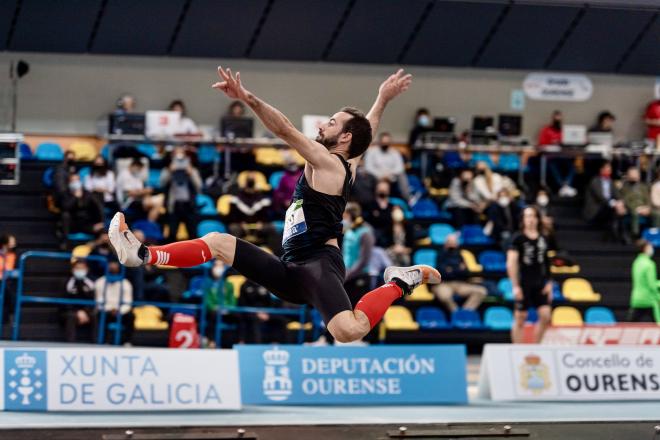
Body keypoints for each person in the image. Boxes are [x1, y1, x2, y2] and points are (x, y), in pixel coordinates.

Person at [109, 66, 440, 344]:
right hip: (290, 268)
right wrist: (381, 98)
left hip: (319, 266)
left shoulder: (328, 163)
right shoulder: (346, 161)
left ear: (344, 139)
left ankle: (400, 280)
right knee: (217, 242)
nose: (323, 125)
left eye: (331, 122)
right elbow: (366, 129)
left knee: (348, 330)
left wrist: (247, 98)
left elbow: (284, 129)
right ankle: (142, 255)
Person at [507, 206, 553, 344]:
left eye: (533, 216)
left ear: (537, 219)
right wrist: (515, 286)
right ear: (523, 219)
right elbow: (511, 263)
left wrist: (549, 282)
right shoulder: (517, 238)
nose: (530, 219)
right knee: (520, 317)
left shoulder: (543, 238)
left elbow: (546, 262)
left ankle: (535, 346)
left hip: (539, 283)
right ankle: (517, 350)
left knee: (545, 316)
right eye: (527, 216)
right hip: (523, 283)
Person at [432, 234, 487, 313]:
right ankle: (456, 312)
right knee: (444, 295)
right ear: (446, 243)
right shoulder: (440, 255)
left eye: (454, 242)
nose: (452, 244)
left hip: (460, 284)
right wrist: (457, 270)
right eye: (450, 242)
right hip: (445, 284)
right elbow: (442, 273)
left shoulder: (460, 255)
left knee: (481, 291)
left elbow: (466, 272)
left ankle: (465, 312)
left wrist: (452, 270)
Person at [160, 145, 203, 242]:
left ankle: (194, 256)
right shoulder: (168, 169)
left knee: (193, 234)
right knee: (172, 234)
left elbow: (199, 186)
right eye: (176, 155)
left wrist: (191, 173)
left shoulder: (192, 170)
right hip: (174, 206)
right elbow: (161, 184)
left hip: (189, 206)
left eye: (182, 155)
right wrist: (169, 171)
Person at [227, 171, 275, 246]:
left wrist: (262, 222)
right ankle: (235, 253)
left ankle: (274, 255)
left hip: (259, 225)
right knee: (233, 228)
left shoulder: (262, 198)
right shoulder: (236, 198)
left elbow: (267, 214)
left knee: (270, 228)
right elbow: (232, 215)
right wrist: (240, 223)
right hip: (241, 225)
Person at [583, 161, 628, 242]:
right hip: (596, 210)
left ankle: (618, 231)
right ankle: (620, 233)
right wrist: (615, 204)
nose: (609, 170)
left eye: (610, 168)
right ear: (601, 169)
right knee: (613, 210)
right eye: (607, 168)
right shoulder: (595, 181)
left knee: (617, 209)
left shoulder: (611, 182)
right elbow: (601, 198)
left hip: (609, 208)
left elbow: (618, 195)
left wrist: (620, 202)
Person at [538, 110, 577, 197]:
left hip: (563, 156)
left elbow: (568, 143)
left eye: (560, 118)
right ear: (552, 118)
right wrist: (551, 143)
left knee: (572, 166)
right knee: (553, 165)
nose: (558, 119)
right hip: (551, 156)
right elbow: (541, 144)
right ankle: (563, 186)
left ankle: (566, 185)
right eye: (556, 117)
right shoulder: (546, 130)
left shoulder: (564, 131)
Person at [60, 174, 105, 248]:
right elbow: (66, 207)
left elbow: (97, 208)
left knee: (102, 228)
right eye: (73, 181)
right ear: (69, 183)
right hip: (73, 224)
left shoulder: (87, 194)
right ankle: (65, 242)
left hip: (86, 224)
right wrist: (75, 197)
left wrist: (100, 222)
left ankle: (98, 248)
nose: (75, 183)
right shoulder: (65, 194)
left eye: (77, 180)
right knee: (65, 215)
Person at [95, 260, 134, 345]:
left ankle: (127, 342)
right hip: (106, 311)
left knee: (131, 316)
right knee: (98, 315)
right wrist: (109, 310)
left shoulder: (126, 283)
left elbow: (128, 302)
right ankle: (103, 341)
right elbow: (99, 301)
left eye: (115, 264)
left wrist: (119, 311)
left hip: (121, 311)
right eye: (111, 264)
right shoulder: (100, 282)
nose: (112, 266)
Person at [343, 203, 376, 301]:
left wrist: (348, 275)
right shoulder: (348, 231)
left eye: (344, 215)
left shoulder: (365, 232)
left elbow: (364, 260)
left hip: (359, 277)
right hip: (347, 275)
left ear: (349, 215)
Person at [363, 132, 410, 200]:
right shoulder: (371, 152)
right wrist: (380, 175)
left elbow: (399, 168)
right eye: (383, 142)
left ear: (390, 142)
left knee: (402, 176)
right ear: (379, 142)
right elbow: (368, 167)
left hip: (391, 177)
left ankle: (407, 200)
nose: (385, 144)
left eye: (387, 142)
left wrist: (388, 175)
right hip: (375, 176)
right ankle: (369, 201)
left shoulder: (395, 153)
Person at [116, 158, 163, 222]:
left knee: (159, 200)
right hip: (127, 203)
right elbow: (130, 193)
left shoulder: (136, 176)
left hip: (137, 199)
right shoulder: (124, 175)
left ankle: (149, 223)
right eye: (139, 168)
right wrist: (146, 191)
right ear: (133, 165)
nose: (139, 170)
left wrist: (147, 195)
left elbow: (141, 190)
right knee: (157, 203)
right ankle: (150, 224)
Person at [62, 259, 97, 343]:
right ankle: (70, 344)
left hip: (87, 311)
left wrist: (85, 311)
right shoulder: (67, 282)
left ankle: (97, 343)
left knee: (96, 315)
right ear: (72, 270)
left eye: (82, 268)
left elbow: (94, 299)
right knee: (71, 316)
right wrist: (77, 312)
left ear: (87, 269)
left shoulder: (92, 283)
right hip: (70, 310)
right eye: (77, 268)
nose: (80, 270)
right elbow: (63, 301)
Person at [620, 166, 658, 237]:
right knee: (634, 213)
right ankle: (635, 234)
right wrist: (637, 208)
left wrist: (647, 207)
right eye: (632, 175)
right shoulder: (625, 188)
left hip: (644, 207)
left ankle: (655, 234)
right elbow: (626, 201)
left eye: (636, 174)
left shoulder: (644, 187)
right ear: (628, 176)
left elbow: (648, 199)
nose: (634, 176)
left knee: (656, 213)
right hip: (632, 208)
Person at [629, 239, 660, 323]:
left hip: (636, 299)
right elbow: (652, 285)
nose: (651, 249)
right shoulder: (649, 264)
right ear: (645, 248)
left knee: (631, 325)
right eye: (650, 247)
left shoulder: (636, 262)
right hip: (649, 300)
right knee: (657, 325)